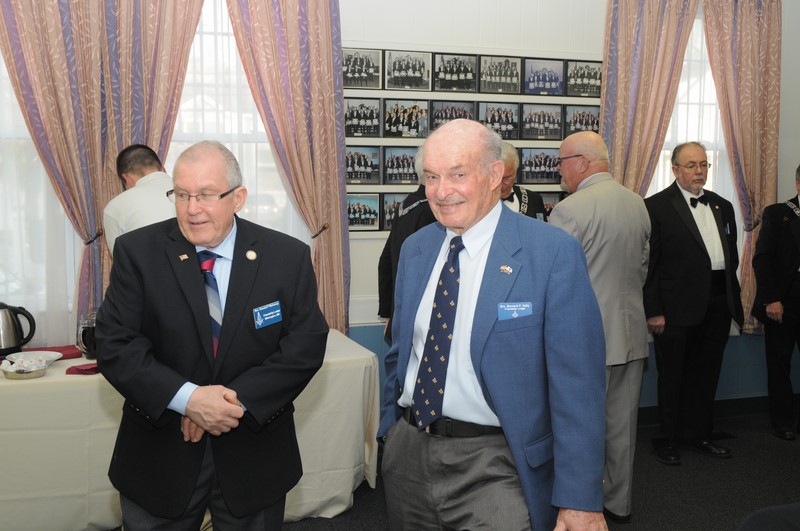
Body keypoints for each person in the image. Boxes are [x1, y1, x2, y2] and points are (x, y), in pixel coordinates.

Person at [378, 119, 608, 531]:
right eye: (431, 177)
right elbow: (400, 353)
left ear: (494, 174)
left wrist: (579, 500)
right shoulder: (415, 249)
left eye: (457, 174)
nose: (441, 191)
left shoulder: (550, 252)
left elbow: (578, 387)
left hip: (498, 463)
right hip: (409, 457)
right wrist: (389, 433)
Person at [96, 141, 329, 529]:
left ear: (238, 198)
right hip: (161, 456)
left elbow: (304, 345)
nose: (191, 209)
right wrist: (188, 400)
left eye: (205, 195)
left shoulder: (286, 257)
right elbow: (115, 344)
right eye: (181, 194)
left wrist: (227, 405)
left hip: (254, 454)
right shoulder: (138, 253)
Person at [548, 131, 651, 524]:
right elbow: (642, 269)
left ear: (582, 162)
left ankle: (582, 505)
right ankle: (619, 504)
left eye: (561, 162)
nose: (559, 171)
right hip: (631, 333)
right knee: (623, 428)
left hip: (584, 339)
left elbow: (556, 282)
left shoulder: (569, 210)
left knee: (579, 427)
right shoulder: (637, 203)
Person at [643, 141, 744, 466]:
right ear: (675, 169)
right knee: (673, 375)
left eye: (703, 164)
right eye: (691, 165)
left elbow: (730, 255)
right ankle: (668, 438)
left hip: (717, 302)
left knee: (706, 373)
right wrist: (654, 310)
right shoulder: (656, 206)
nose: (699, 171)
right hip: (675, 307)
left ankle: (699, 434)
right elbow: (650, 265)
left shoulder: (722, 205)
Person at [751, 166, 800, 441]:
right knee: (780, 362)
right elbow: (763, 259)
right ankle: (782, 422)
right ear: (798, 184)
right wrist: (771, 298)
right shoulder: (778, 213)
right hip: (784, 300)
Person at [377, 146, 437, 344]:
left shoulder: (406, 204)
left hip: (401, 312)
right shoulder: (432, 211)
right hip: (422, 319)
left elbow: (385, 261)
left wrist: (389, 312)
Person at [103, 144, 175, 253]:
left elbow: (119, 258)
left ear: (127, 178)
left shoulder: (115, 206)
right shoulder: (191, 191)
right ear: (163, 169)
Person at [499, 141, 548, 221]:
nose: (500, 184)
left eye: (506, 178)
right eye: (496, 177)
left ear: (516, 173)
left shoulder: (534, 199)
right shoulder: (478, 200)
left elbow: (542, 227)